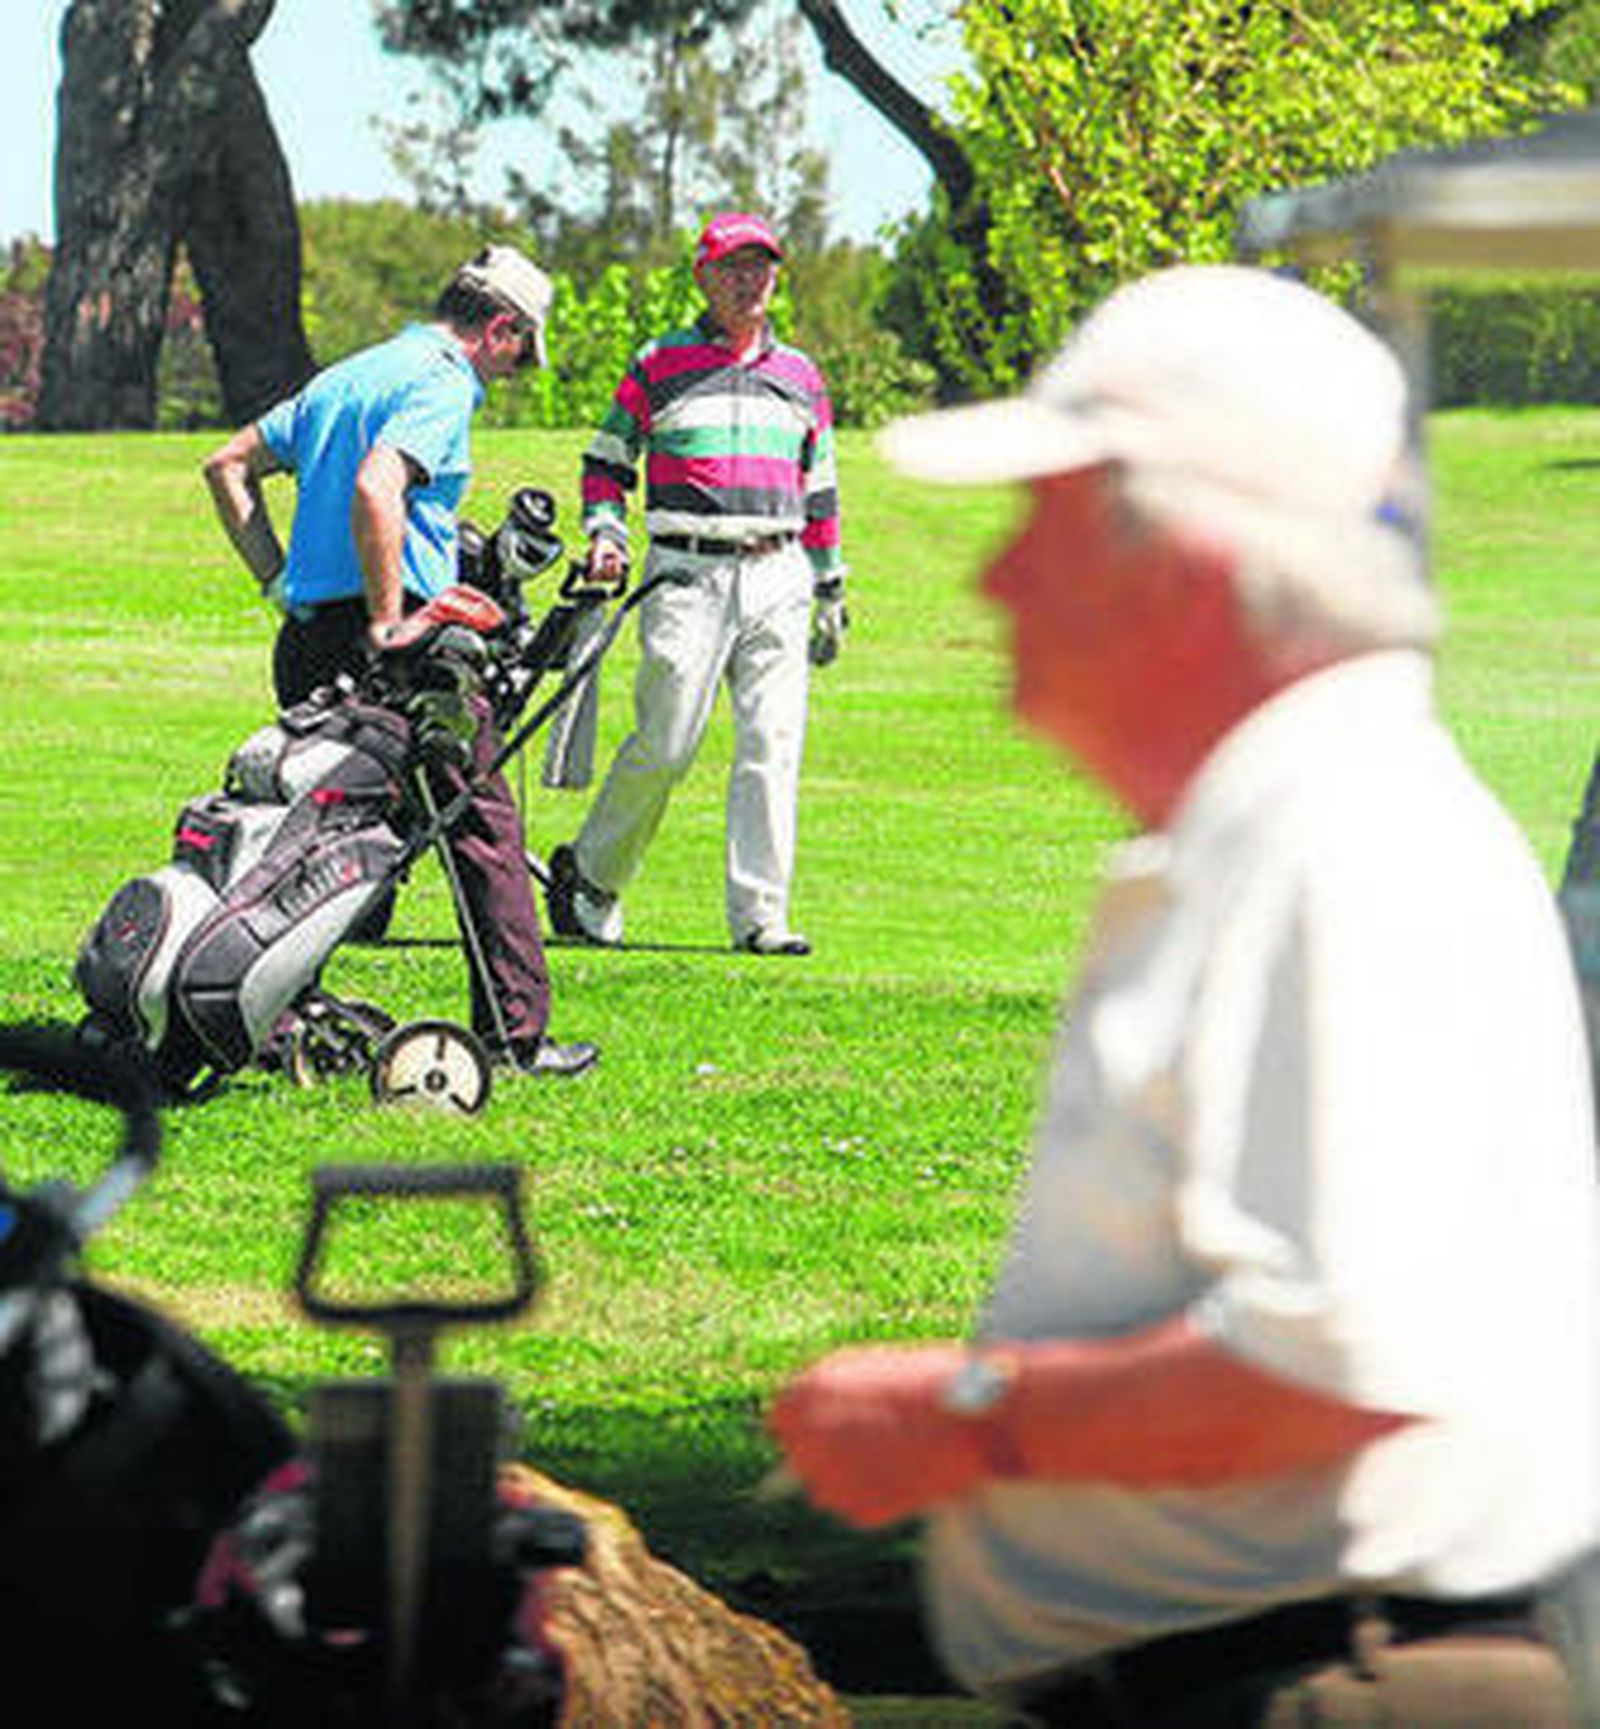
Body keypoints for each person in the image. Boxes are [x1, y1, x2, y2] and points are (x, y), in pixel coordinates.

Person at [768, 264, 1600, 1727]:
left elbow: (1340, 1356)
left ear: (1191, 565)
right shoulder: (1292, 825)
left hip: (1324, 1687)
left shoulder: (1345, 835)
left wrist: (960, 1422)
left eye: (1047, 521)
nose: (994, 577)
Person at [202, 245, 597, 1079]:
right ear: (499, 327)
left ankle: (270, 1022)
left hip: (307, 636)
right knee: (480, 825)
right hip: (402, 647)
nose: (515, 371)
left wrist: (277, 578)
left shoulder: (347, 376)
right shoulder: (446, 380)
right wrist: (390, 620)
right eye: (521, 350)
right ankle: (514, 1036)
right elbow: (380, 486)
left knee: (306, 834)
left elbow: (227, 464)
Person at [545, 211, 848, 956]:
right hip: (686, 571)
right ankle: (589, 875)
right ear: (702, 277)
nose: (749, 281)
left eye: (761, 266)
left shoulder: (800, 376)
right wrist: (606, 533)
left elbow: (821, 489)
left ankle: (760, 919)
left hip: (778, 572)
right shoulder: (659, 363)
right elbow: (606, 464)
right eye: (732, 267)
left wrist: (830, 588)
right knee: (668, 741)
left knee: (772, 744)